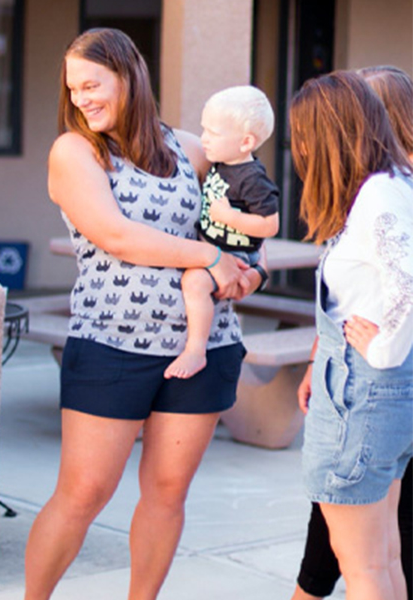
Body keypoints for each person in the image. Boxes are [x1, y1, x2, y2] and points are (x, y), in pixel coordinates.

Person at [23, 28, 266, 600]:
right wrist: (209, 256)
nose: (82, 98)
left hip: (203, 347)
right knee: (83, 493)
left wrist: (250, 270)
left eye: (92, 83)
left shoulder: (194, 148)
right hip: (111, 344)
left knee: (166, 493)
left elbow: (245, 227)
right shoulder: (75, 152)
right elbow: (117, 236)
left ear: (128, 75)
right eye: (74, 88)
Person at [289, 70, 413, 600]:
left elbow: (408, 275)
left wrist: (384, 347)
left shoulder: (378, 194)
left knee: (362, 566)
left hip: (360, 396)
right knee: (382, 558)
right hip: (368, 393)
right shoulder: (391, 184)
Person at [164, 85, 279, 379]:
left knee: (194, 282)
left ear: (246, 142)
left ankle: (195, 350)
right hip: (218, 245)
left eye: (212, 133)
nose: (203, 139)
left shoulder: (253, 178)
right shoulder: (221, 163)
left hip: (236, 253)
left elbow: (270, 224)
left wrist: (228, 216)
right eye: (203, 129)